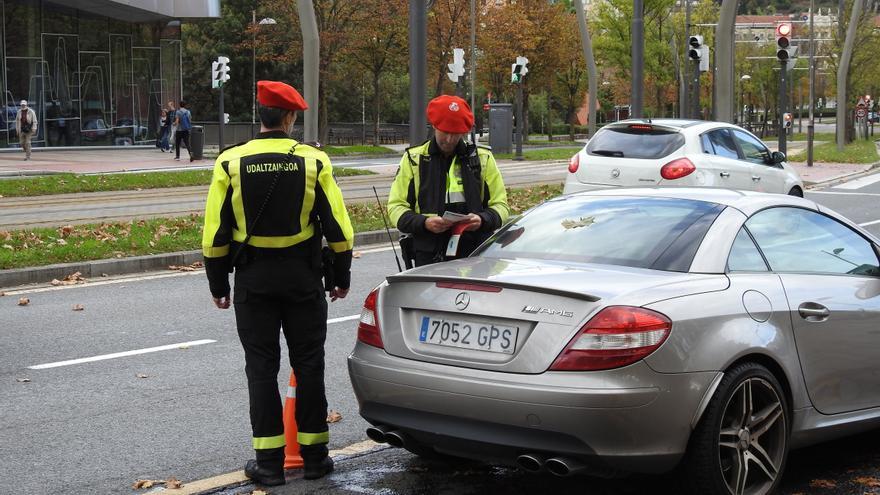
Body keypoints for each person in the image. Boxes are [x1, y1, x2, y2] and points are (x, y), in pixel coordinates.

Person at [202, 80, 353, 486]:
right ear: (290, 117)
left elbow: (215, 233)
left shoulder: (230, 162)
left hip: (253, 281)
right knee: (309, 365)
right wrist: (341, 276)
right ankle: (316, 458)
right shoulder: (312, 161)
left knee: (261, 370)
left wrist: (218, 285)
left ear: (260, 114)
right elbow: (338, 228)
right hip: (303, 278)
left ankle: (268, 466)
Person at [387, 94, 510, 267]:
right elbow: (395, 207)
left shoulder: (483, 158)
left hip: (475, 253)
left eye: (456, 134)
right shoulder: (414, 158)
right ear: (434, 126)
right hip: (429, 255)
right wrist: (424, 223)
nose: (450, 140)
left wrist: (482, 220)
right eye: (445, 132)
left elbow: (502, 207)